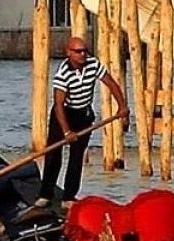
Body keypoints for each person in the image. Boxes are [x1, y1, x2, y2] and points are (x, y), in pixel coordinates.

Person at [35, 35, 129, 207]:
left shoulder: (93, 64)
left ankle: (69, 197)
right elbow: (58, 106)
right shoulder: (62, 75)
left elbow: (112, 84)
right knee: (53, 155)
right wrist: (66, 132)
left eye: (85, 51)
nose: (83, 55)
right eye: (78, 51)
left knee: (77, 156)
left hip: (83, 115)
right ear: (68, 53)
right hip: (63, 115)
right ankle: (45, 194)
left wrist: (122, 106)